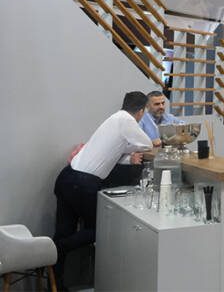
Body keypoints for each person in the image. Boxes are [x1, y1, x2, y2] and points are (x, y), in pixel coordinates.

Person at [53, 92, 153, 285]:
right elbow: (147, 144)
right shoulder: (126, 120)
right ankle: (57, 248)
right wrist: (147, 147)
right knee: (100, 230)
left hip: (67, 176)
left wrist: (129, 155)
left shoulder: (114, 119)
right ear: (141, 111)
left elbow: (114, 150)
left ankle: (54, 282)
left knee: (63, 231)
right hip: (83, 183)